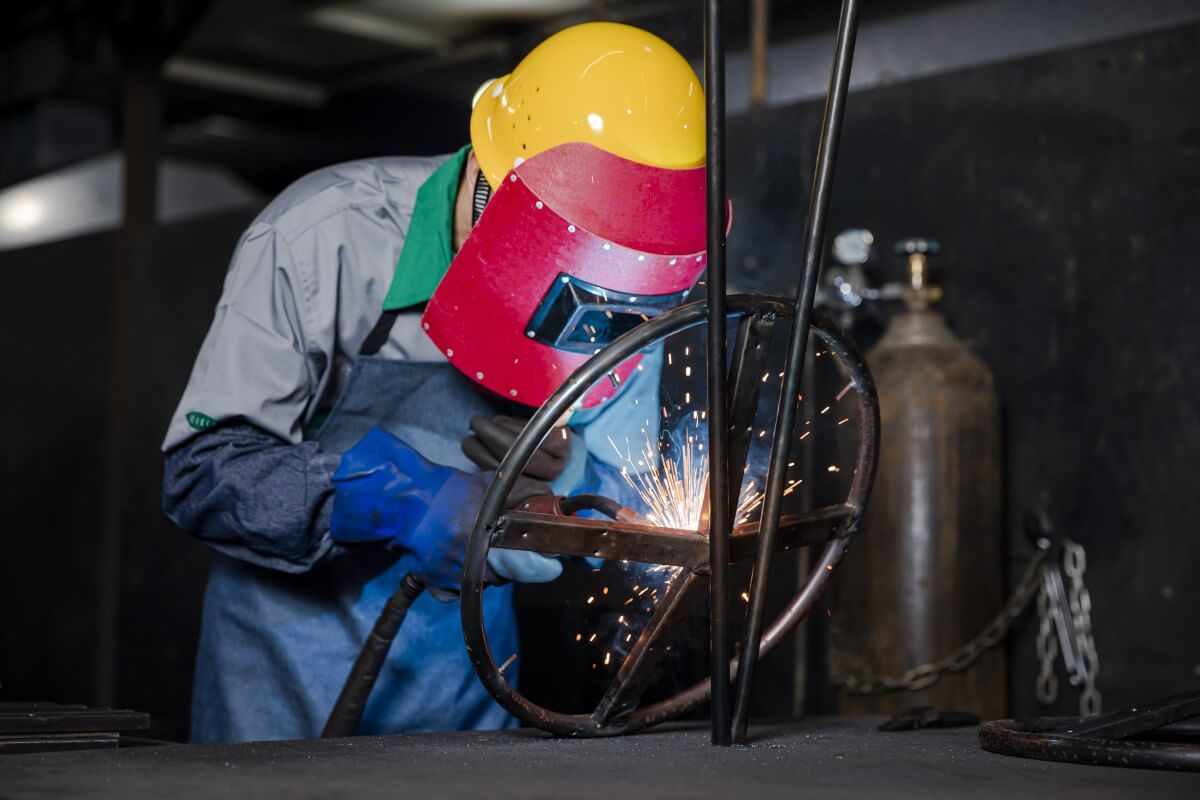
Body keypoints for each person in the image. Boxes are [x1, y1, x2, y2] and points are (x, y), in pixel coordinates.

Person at [162, 21, 709, 743]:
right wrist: (396, 500)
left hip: (468, 686)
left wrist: (571, 484)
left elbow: (636, 505)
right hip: (285, 686)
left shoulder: (634, 287)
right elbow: (202, 473)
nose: (600, 317)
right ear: (493, 188)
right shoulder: (322, 237)